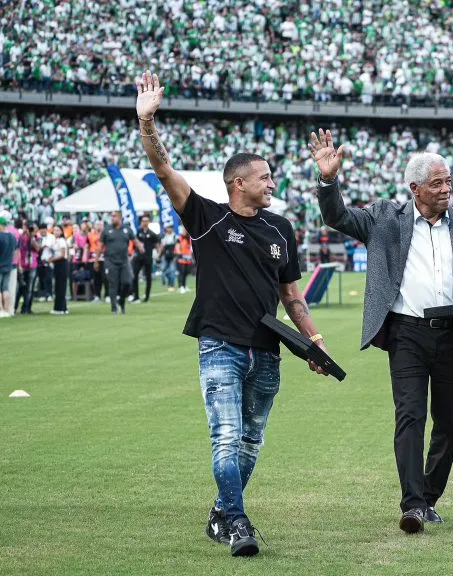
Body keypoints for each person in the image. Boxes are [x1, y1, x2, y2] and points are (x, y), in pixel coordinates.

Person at [136, 69, 330, 557]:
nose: (272, 182)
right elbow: (164, 172)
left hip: (267, 350)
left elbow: (291, 295)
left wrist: (313, 339)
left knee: (250, 443)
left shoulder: (281, 227)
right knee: (226, 438)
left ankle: (221, 513)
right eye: (264, 177)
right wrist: (147, 124)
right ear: (237, 183)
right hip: (219, 343)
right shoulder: (206, 217)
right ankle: (239, 522)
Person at [311, 129, 453, 535]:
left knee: (450, 422)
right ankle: (412, 505)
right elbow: (337, 217)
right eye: (437, 183)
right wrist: (328, 180)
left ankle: (428, 498)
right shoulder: (383, 219)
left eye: (448, 181)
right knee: (409, 416)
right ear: (414, 188)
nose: (446, 189)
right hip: (406, 334)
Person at [100, 210, 140, 315]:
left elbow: (135, 241)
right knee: (113, 284)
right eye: (111, 216)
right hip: (110, 260)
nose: (112, 218)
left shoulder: (127, 229)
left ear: (120, 217)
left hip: (124, 260)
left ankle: (121, 301)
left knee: (127, 282)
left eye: (114, 216)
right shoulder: (107, 230)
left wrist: (141, 249)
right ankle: (114, 308)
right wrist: (96, 260)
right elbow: (100, 245)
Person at [131, 214, 160, 302]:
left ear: (149, 222)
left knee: (148, 277)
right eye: (143, 221)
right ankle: (136, 296)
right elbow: (135, 243)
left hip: (148, 257)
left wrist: (157, 253)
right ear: (141, 222)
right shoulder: (138, 232)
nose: (145, 223)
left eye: (147, 221)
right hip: (138, 257)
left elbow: (157, 245)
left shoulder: (152, 233)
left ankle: (147, 297)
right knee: (134, 275)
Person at [48, 225, 70, 315]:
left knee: (60, 286)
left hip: (61, 263)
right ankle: (63, 307)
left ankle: (59, 308)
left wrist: (51, 259)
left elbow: (62, 254)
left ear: (61, 232)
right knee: (59, 286)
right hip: (58, 264)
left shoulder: (61, 241)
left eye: (58, 230)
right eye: (54, 230)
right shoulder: (56, 241)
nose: (56, 232)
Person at [0, 213, 16, 318]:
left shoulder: (1, 236)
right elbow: (14, 252)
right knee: (5, 288)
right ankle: (6, 309)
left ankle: (1, 309)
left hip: (0, 264)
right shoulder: (12, 236)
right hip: (9, 264)